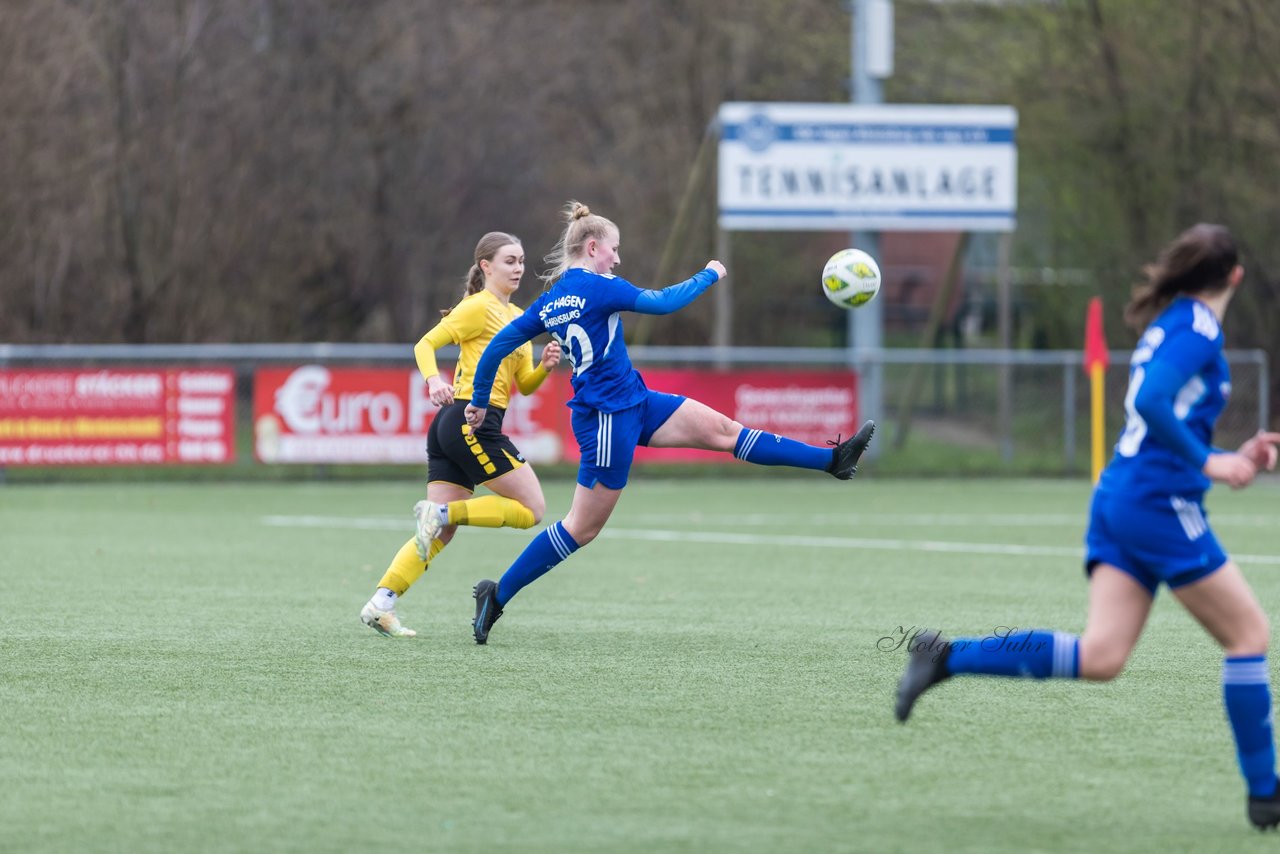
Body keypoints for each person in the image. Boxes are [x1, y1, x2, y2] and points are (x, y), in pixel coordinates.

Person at [893, 223, 1280, 830]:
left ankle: (945, 657)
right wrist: (1210, 461)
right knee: (1249, 635)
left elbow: (1167, 409)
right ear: (1234, 276)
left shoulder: (1175, 322)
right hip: (1156, 503)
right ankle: (1267, 795)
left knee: (1101, 655)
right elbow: (1153, 402)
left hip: (1123, 497)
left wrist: (1235, 451)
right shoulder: (1200, 329)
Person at [461, 201, 876, 644]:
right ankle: (497, 594)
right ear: (594, 246)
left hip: (634, 400)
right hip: (606, 419)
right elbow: (661, 304)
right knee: (581, 528)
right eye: (614, 250)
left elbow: (497, 346)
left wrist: (482, 401)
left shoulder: (551, 299)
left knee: (724, 432)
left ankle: (833, 460)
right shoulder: (599, 287)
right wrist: (710, 273)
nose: (618, 259)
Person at [360, 231, 562, 638]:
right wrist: (434, 381)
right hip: (471, 421)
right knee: (533, 509)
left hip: (459, 427)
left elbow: (523, 384)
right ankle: (440, 513)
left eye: (521, 260)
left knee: (439, 535)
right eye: (509, 260)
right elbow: (425, 344)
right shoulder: (477, 308)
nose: (519, 267)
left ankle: (381, 603)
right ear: (486, 266)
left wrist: (544, 366)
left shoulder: (520, 316)